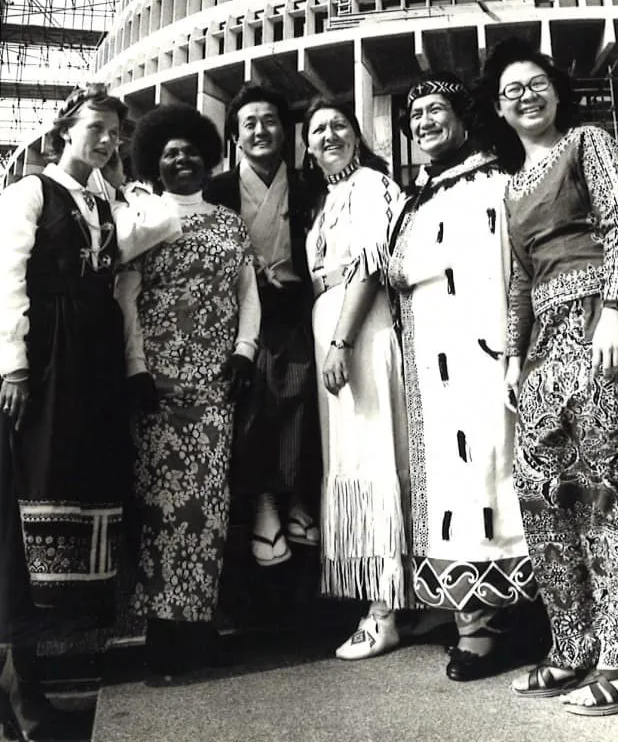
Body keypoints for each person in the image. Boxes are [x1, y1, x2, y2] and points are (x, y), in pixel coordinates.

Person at [477, 36, 618, 715]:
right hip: (542, 347)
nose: (525, 96)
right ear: (500, 111)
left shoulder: (585, 141)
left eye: (535, 83)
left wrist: (615, 310)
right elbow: (518, 275)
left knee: (615, 485)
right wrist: (510, 356)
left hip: (599, 326)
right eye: (510, 91)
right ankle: (574, 646)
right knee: (544, 492)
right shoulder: (510, 188)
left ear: (557, 93)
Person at [0, 84, 173, 741]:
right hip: (45, 358)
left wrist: (123, 181)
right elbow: (5, 279)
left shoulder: (105, 201)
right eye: (95, 129)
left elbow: (149, 244)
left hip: (93, 362)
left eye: (114, 134)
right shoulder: (28, 195)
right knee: (30, 498)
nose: (105, 141)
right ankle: (20, 675)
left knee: (82, 499)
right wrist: (12, 366)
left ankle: (60, 674)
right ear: (64, 130)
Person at [386, 76, 538, 682]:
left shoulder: (497, 184)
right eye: (415, 114)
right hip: (430, 366)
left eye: (436, 110)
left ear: (463, 119)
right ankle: (473, 624)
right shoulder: (413, 198)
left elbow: (518, 269)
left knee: (498, 476)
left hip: (486, 358)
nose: (423, 121)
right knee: (451, 487)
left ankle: (528, 620)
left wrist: (510, 349)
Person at [116, 103, 261, 681]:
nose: (182, 158)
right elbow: (126, 296)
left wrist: (244, 351)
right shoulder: (145, 216)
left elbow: (248, 292)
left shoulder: (229, 222)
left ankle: (196, 628)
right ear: (155, 161)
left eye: (191, 150)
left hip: (214, 384)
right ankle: (161, 637)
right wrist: (136, 368)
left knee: (208, 510)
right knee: (159, 509)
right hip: (159, 385)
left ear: (208, 158)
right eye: (169, 152)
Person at [302, 96, 407, 660]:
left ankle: (382, 610)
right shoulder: (328, 199)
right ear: (307, 146)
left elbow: (369, 264)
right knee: (354, 456)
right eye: (318, 130)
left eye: (339, 125)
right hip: (337, 329)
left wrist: (341, 341)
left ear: (358, 134)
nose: (329, 135)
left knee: (371, 456)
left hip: (359, 333)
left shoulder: (368, 184)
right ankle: (390, 598)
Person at [204, 84, 319, 567]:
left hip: (295, 308)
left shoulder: (311, 184)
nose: (260, 130)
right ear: (235, 136)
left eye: (269, 120)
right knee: (251, 406)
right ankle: (265, 505)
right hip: (241, 312)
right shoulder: (219, 190)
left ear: (285, 130)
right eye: (248, 123)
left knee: (296, 400)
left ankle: (293, 497)